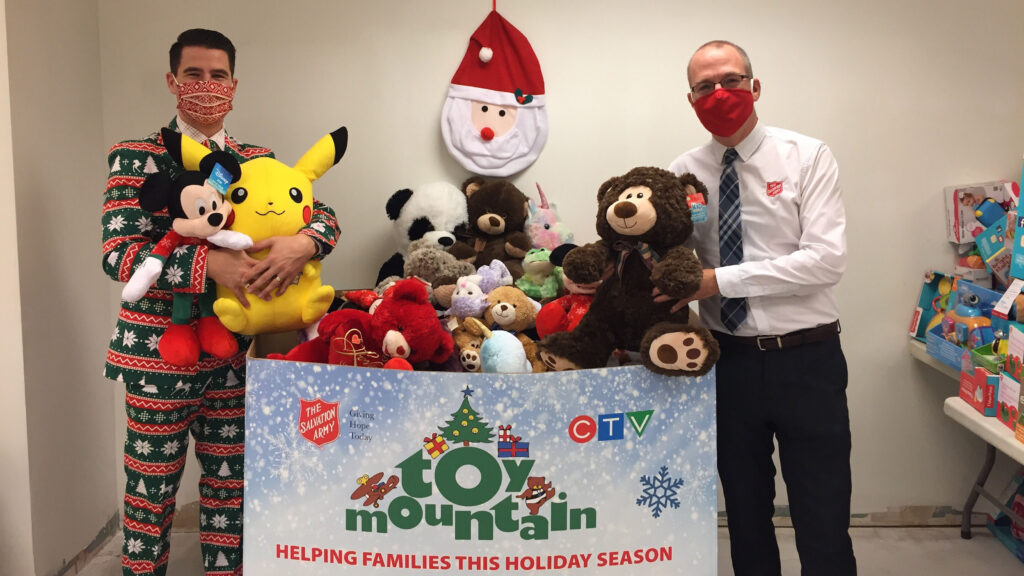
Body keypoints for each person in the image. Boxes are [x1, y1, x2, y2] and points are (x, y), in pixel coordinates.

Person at [101, 29, 340, 576]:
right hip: (156, 355)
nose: (205, 86)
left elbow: (321, 213)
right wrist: (212, 266)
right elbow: (120, 254)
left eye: (217, 76)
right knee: (150, 496)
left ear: (233, 84)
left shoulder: (258, 160)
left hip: (236, 354)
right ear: (172, 82)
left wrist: (305, 242)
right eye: (193, 75)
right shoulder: (135, 157)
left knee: (233, 494)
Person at [667, 40, 856, 575]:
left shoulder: (808, 156)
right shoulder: (682, 173)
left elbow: (825, 262)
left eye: (730, 79)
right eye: (705, 86)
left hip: (808, 362)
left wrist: (717, 281)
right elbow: (678, 265)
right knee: (745, 517)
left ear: (755, 86)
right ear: (691, 98)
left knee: (822, 516)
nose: (719, 93)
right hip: (728, 365)